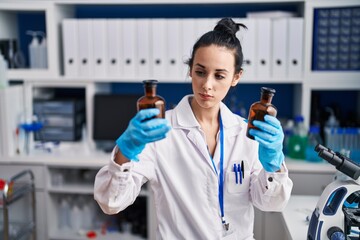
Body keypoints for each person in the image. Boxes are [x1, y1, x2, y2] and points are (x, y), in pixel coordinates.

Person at [94, 18, 293, 240]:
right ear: (190, 70)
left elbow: (272, 203)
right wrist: (124, 153)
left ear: (236, 77)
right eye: (200, 72)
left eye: (219, 76)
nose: (207, 84)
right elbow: (111, 203)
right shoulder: (160, 132)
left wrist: (274, 165)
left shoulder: (246, 133)